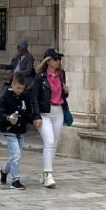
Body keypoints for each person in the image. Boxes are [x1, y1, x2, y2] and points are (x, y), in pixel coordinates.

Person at [0, 72, 37, 190]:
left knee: (16, 155)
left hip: (20, 130)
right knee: (16, 155)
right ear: (12, 85)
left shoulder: (25, 96)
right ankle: (15, 180)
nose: (20, 90)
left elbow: (28, 112)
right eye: (18, 88)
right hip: (9, 130)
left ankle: (3, 171)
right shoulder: (5, 96)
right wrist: (8, 118)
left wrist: (33, 119)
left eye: (22, 88)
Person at [35, 50, 66, 188]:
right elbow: (34, 98)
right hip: (45, 112)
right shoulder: (40, 77)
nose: (58, 61)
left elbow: (62, 95)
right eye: (55, 58)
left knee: (54, 142)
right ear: (48, 61)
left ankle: (45, 172)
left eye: (59, 58)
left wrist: (66, 91)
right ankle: (48, 174)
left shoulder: (61, 75)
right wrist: (36, 116)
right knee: (49, 140)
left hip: (58, 111)